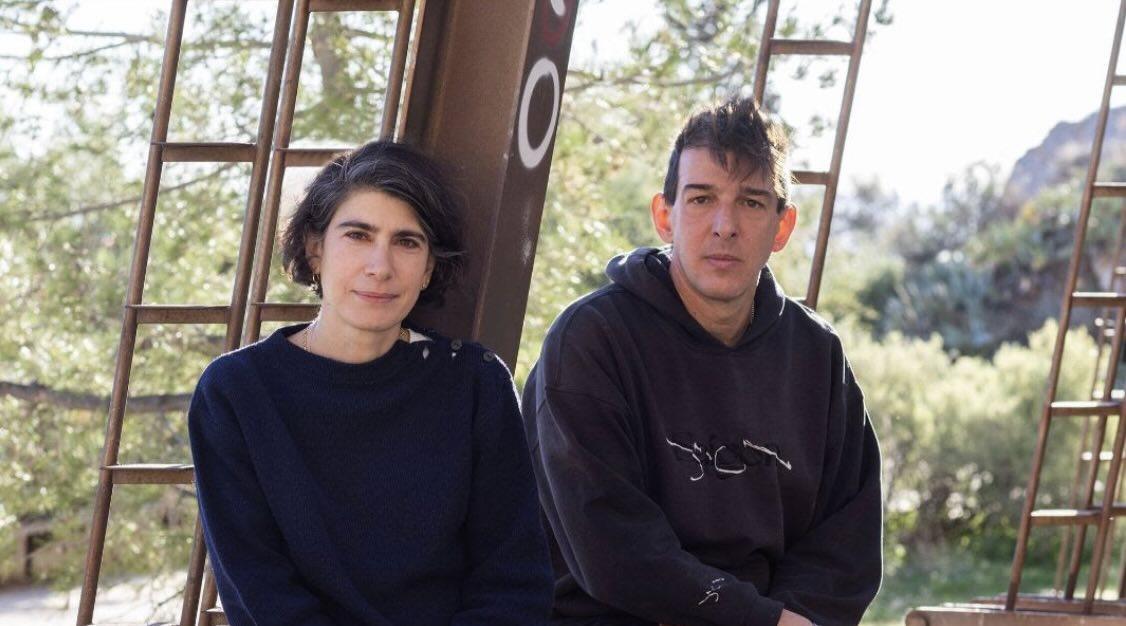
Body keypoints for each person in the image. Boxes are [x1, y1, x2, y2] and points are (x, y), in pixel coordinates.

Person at [521, 98, 882, 626]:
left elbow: (846, 545)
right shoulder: (591, 341)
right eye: (701, 198)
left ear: (782, 227)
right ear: (664, 216)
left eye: (751, 202)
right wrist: (759, 620)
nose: (724, 225)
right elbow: (613, 550)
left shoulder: (816, 356)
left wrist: (790, 618)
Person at [188, 140, 553, 626]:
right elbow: (259, 592)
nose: (380, 267)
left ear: (429, 268)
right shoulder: (236, 393)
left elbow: (514, 579)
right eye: (358, 236)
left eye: (407, 242)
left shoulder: (475, 383)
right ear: (315, 249)